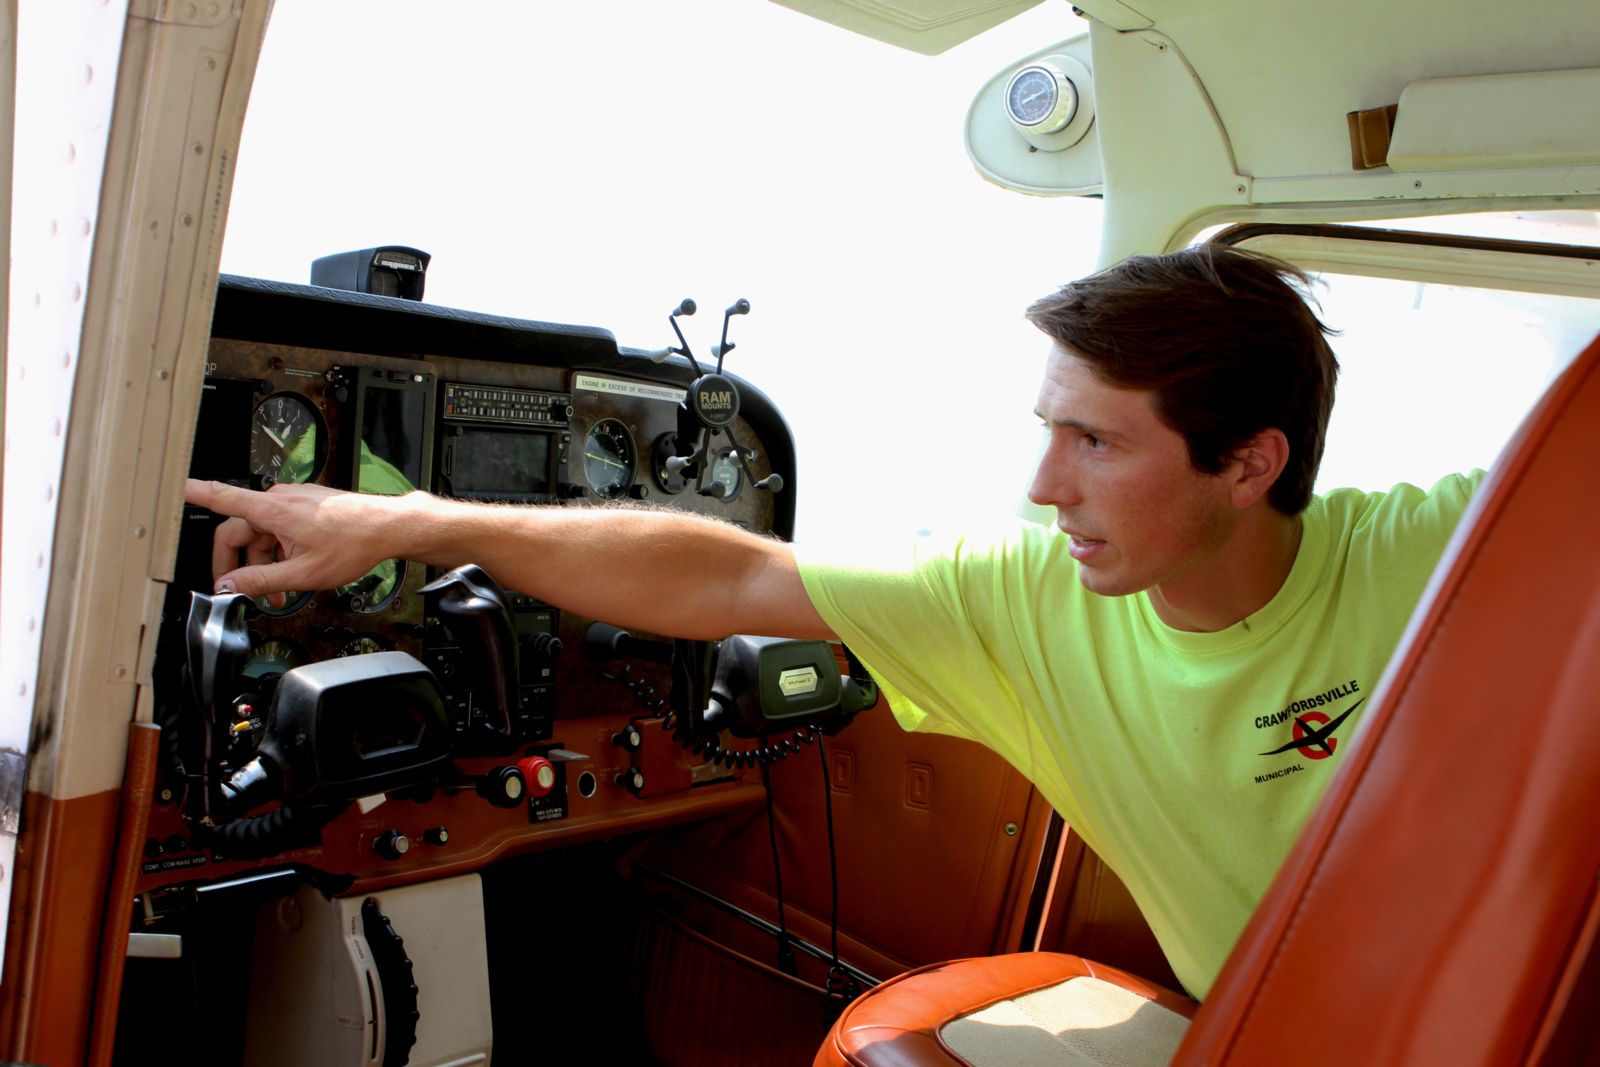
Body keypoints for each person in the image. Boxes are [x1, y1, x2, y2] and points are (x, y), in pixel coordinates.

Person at [185, 243, 1482, 1000]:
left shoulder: (1439, 553)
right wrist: (415, 526)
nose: (1044, 487)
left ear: (1250, 465)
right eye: (1048, 431)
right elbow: (728, 580)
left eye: (1094, 443)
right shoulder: (1020, 596)